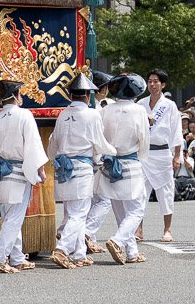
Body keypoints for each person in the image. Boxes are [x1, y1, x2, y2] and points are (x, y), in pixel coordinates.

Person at [52, 74, 114, 269]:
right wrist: (113, 152)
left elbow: (53, 142)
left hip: (63, 166)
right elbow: (99, 143)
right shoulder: (92, 114)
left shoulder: (62, 114)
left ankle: (79, 254)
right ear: (88, 95)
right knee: (79, 213)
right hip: (81, 167)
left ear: (70, 94)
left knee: (73, 211)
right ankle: (62, 249)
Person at [0, 79, 48, 274]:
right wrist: (40, 168)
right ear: (15, 96)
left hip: (1, 171)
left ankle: (17, 257)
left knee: (9, 216)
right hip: (18, 171)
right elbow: (33, 143)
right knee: (14, 217)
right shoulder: (24, 115)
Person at [97, 73, 150, 265]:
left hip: (110, 162)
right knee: (137, 208)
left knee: (119, 208)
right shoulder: (138, 111)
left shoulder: (106, 110)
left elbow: (100, 136)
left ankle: (132, 251)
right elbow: (144, 139)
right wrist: (142, 156)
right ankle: (118, 241)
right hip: (129, 161)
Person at [136, 68, 182, 243]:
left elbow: (176, 132)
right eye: (150, 81)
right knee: (140, 192)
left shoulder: (169, 106)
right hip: (144, 153)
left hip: (162, 152)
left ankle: (167, 229)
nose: (152, 84)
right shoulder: (140, 104)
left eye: (156, 81)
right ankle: (139, 230)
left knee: (165, 192)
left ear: (162, 85)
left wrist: (176, 156)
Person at [81, 70, 116, 257]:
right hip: (96, 158)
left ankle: (89, 238)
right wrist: (112, 152)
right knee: (103, 200)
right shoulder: (97, 110)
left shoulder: (93, 107)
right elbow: (101, 137)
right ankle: (86, 232)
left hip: (87, 158)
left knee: (90, 201)